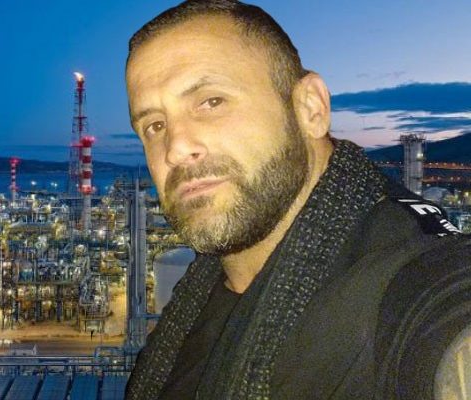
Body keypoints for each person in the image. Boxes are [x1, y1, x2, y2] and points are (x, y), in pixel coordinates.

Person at [123, 1, 471, 399]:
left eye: (211, 102)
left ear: (311, 108)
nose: (175, 148)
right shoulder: (193, 305)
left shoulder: (413, 278)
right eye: (154, 125)